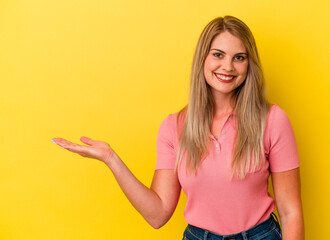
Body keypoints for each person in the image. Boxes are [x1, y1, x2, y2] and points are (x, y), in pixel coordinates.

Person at [52, 15, 304, 240]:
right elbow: (158, 214)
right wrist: (111, 159)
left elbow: (291, 212)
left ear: (249, 65)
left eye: (239, 58)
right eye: (218, 54)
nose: (228, 67)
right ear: (202, 59)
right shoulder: (174, 127)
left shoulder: (271, 120)